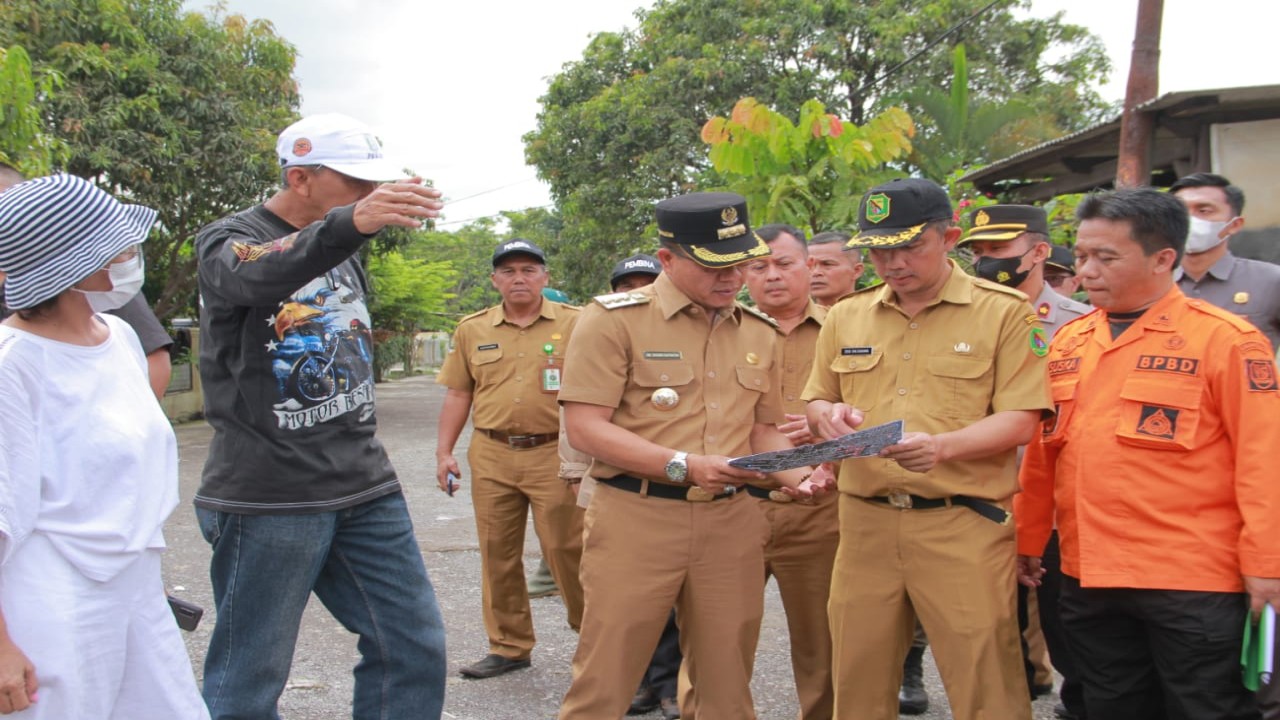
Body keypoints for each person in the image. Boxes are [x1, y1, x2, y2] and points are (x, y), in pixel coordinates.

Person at [193, 113, 448, 719]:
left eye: (373, 183)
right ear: (300, 177)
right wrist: (347, 225)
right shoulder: (227, 239)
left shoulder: (344, 245)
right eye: (355, 182)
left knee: (414, 647)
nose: (370, 195)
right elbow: (254, 272)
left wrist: (346, 229)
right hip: (270, 494)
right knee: (248, 676)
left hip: (365, 485)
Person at [556, 192, 825, 719]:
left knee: (725, 683)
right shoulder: (612, 321)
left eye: (739, 263)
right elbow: (585, 428)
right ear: (668, 259)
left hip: (730, 521)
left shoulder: (758, 332)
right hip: (637, 516)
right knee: (605, 680)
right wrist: (683, 465)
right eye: (712, 265)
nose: (730, 278)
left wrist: (802, 474)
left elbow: (761, 431)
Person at [1016, 187, 1280, 720]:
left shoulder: (1227, 341)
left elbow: (1264, 460)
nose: (1086, 271)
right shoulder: (1069, 342)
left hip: (1192, 581)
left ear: (1164, 259)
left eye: (1106, 258)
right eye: (1083, 255)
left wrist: (1266, 567)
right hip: (1087, 575)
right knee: (1108, 704)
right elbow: (1044, 454)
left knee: (1204, 707)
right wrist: (1028, 539)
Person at [802, 178, 1050, 720]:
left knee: (985, 677)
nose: (893, 263)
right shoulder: (847, 315)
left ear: (950, 237)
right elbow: (819, 398)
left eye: (910, 246)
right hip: (864, 523)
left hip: (961, 522)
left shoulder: (1004, 312)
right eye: (880, 250)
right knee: (858, 675)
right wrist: (828, 418)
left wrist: (942, 447)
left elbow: (1021, 419)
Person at [0, 173, 209, 719]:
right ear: (76, 261)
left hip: (134, 578)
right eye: (116, 240)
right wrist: (1, 646)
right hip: (53, 592)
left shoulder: (117, 338)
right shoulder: (12, 365)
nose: (130, 251)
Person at [960, 203, 1091, 716]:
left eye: (998, 250)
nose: (986, 261)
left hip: (1054, 502)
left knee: (1067, 630)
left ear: (1039, 252)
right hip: (979, 493)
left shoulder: (1080, 325)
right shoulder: (958, 319)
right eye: (978, 251)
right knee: (991, 631)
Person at [435, 238, 585, 679]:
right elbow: (460, 392)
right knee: (496, 551)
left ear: (545, 277)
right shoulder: (473, 329)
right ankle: (509, 645)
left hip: (556, 453)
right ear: (495, 280)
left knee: (567, 549)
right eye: (509, 271)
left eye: (528, 270)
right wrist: (444, 451)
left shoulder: (578, 324)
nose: (519, 278)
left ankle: (596, 641)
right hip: (492, 453)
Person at [742, 223, 839, 720]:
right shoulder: (722, 330)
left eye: (784, 263)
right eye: (758, 266)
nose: (771, 276)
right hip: (737, 506)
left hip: (822, 509)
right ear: (742, 272)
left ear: (810, 266)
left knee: (823, 644)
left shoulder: (850, 326)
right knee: (717, 642)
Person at [0, 166, 174, 400]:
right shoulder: (11, 367)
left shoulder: (120, 334)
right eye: (122, 249)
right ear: (74, 270)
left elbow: (155, 366)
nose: (133, 256)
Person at [1170, 172, 1280, 350]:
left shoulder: (1271, 281)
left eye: (1204, 211)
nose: (1189, 221)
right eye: (1180, 212)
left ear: (1234, 225)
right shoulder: (1147, 283)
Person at [808, 230, 864, 306]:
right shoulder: (793, 316)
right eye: (809, 266)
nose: (815, 272)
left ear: (856, 271)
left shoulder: (874, 315)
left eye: (827, 264)